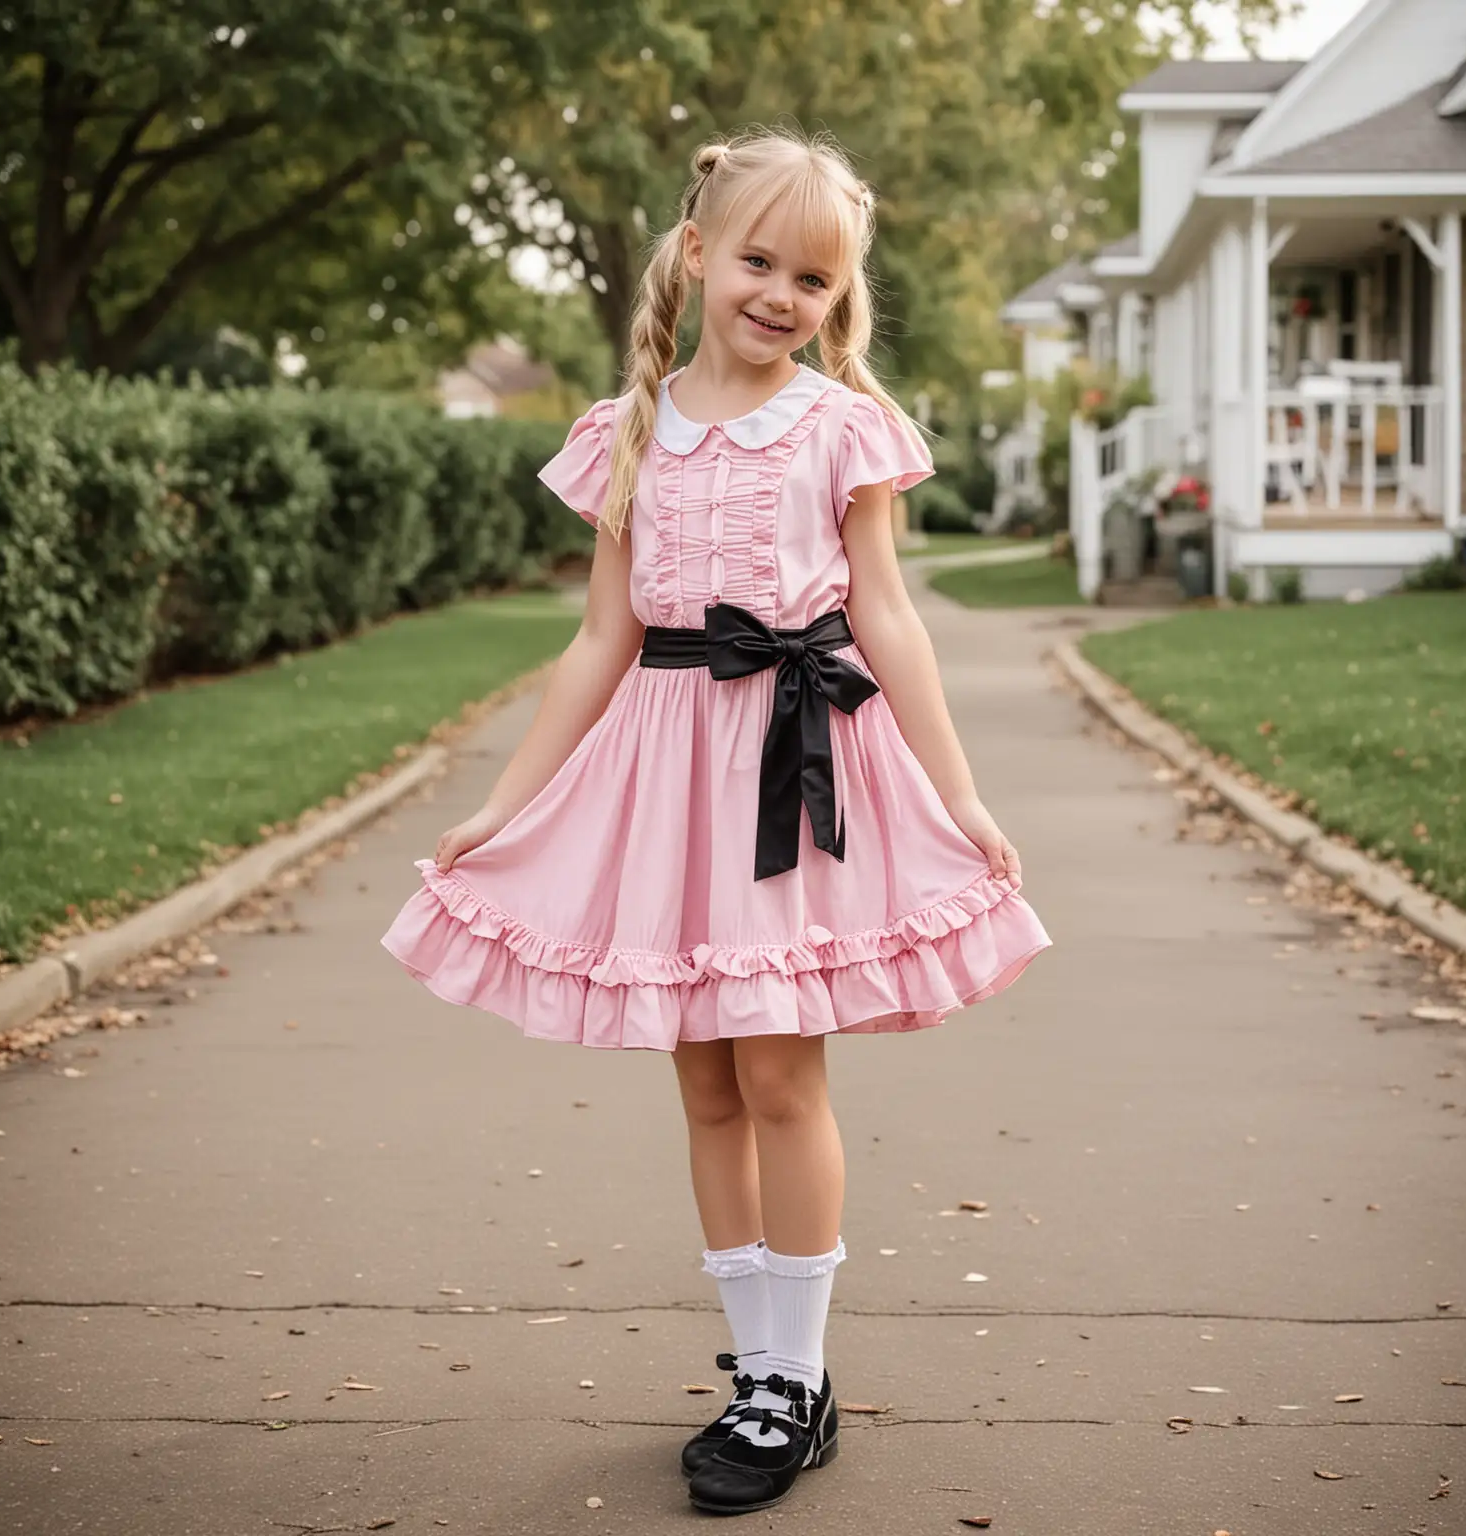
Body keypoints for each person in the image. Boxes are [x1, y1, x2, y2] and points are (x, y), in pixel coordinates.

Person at [381, 126, 1052, 1516]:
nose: (783, 293)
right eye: (759, 259)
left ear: (834, 295)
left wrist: (958, 789)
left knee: (781, 1075)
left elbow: (885, 613)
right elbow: (597, 643)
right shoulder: (627, 430)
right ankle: (753, 1369)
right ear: (697, 254)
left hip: (793, 766)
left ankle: (796, 1382)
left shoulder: (840, 426)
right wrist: (503, 807)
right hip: (666, 768)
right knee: (701, 1078)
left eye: (814, 276)